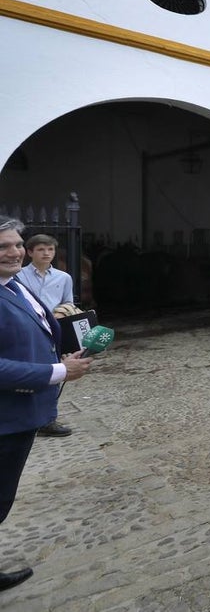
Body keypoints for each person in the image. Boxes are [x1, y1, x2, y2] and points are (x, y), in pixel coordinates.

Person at [0, 216, 91, 593]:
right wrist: (57, 371)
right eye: (4, 246)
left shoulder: (14, 286)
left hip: (23, 414)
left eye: (17, 244)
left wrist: (68, 349)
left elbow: (40, 329)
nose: (15, 251)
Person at [16, 235, 75, 437]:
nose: (46, 253)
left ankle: (49, 419)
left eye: (50, 249)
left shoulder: (64, 277)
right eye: (41, 249)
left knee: (54, 373)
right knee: (30, 372)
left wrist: (61, 313)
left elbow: (69, 303)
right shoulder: (18, 276)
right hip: (27, 330)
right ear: (30, 252)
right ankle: (27, 416)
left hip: (53, 332)